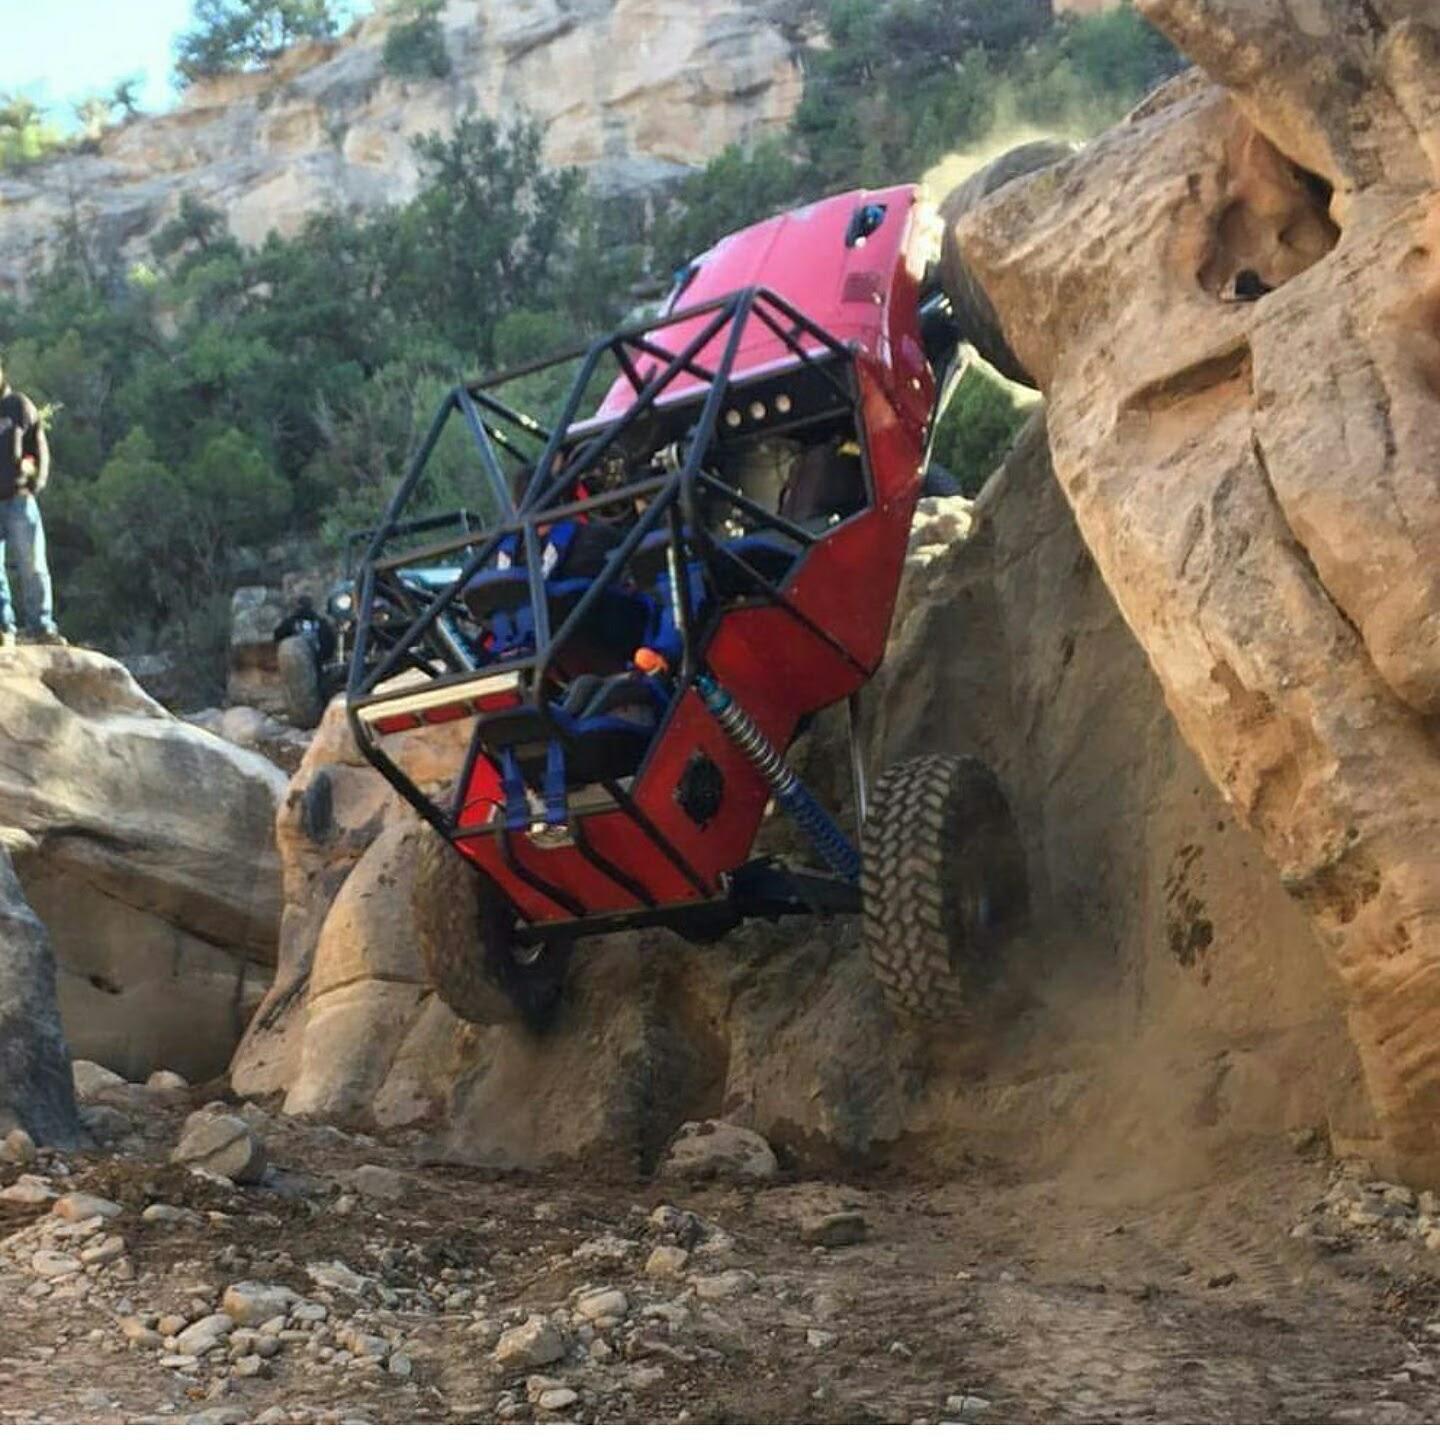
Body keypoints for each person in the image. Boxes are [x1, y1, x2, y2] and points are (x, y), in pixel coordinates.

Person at [0, 360, 61, 647]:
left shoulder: (18, 405)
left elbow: (39, 446)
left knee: (32, 564)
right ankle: (4, 628)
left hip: (19, 500)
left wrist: (35, 482)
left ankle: (41, 626)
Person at [272, 594, 337, 666]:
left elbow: (277, 636)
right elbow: (331, 643)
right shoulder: (321, 623)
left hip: (296, 662)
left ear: (298, 606)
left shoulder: (291, 622)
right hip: (316, 662)